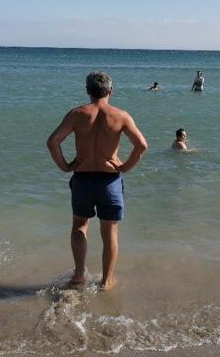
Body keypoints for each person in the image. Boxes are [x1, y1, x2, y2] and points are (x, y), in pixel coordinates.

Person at [47, 71, 147, 289]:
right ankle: (106, 281)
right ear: (110, 90)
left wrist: (65, 166)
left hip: (82, 178)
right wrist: (124, 167)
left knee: (79, 226)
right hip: (109, 181)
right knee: (109, 232)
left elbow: (53, 142)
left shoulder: (76, 114)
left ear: (87, 90)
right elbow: (141, 146)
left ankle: (79, 275)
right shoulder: (121, 115)